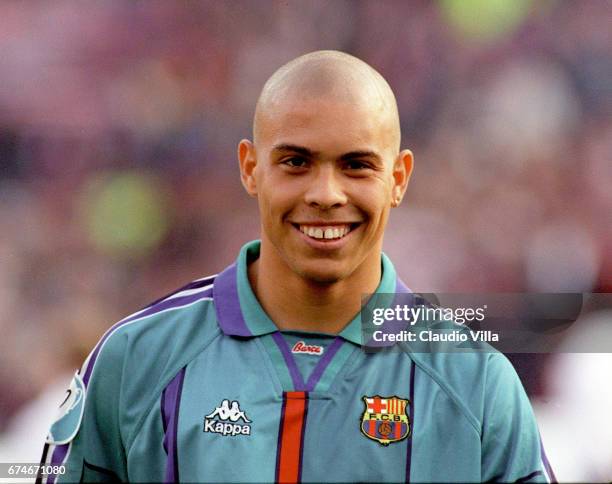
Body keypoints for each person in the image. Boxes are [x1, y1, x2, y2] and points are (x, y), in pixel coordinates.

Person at [38, 50, 555, 483]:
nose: (326, 194)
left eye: (356, 165)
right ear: (250, 168)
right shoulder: (137, 360)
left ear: (398, 178)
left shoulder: (475, 383)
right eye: (296, 162)